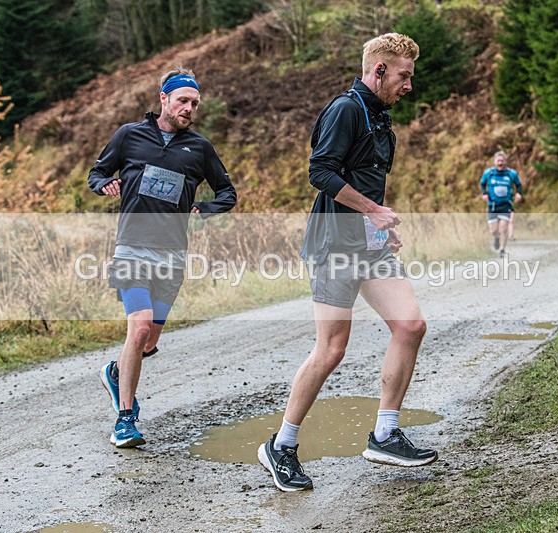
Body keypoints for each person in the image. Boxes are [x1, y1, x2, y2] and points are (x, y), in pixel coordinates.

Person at [258, 33, 437, 493]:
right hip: (334, 243)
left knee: (411, 325)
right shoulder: (346, 109)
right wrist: (373, 211)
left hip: (368, 243)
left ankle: (384, 435)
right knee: (331, 350)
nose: (408, 86)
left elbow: (364, 181)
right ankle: (281, 445)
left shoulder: (380, 118)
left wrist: (380, 223)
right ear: (378, 70)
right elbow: (320, 171)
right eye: (403, 76)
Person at [88, 67, 236, 448]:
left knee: (149, 340)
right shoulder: (129, 135)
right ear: (164, 99)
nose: (189, 108)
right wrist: (106, 184)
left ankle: (116, 372)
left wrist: (205, 207)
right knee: (137, 330)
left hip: (171, 255)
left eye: (194, 103)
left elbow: (227, 193)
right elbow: (97, 173)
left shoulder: (199, 148)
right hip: (132, 247)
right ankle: (125, 419)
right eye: (183, 101)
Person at [479, 150, 522, 257]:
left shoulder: (511, 173)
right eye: (498, 161)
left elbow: (519, 185)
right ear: (494, 161)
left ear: (505, 161)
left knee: (503, 227)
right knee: (493, 230)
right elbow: (482, 184)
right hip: (492, 205)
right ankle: (496, 238)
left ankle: (502, 250)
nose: (500, 163)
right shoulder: (489, 173)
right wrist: (484, 193)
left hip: (506, 204)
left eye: (502, 161)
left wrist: (518, 194)